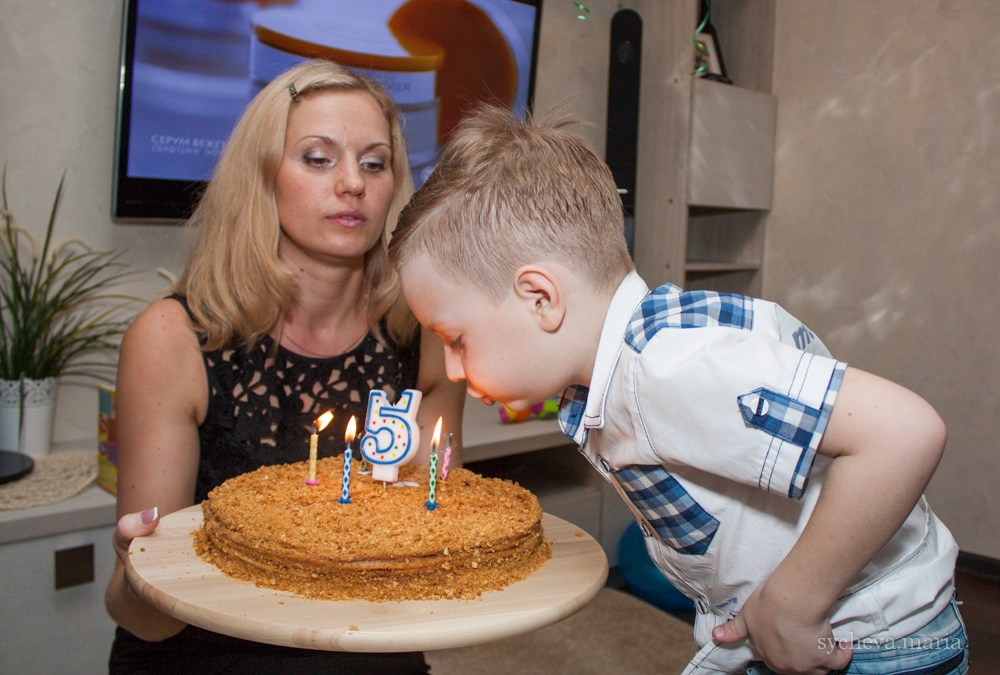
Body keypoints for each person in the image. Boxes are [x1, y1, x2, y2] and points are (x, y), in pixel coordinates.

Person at [387, 104, 969, 674]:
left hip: (867, 643)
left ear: (540, 299)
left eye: (455, 338)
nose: (454, 370)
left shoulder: (669, 369)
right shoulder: (639, 357)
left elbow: (904, 433)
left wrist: (792, 604)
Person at [105, 60, 465, 673]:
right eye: (318, 158)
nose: (352, 183)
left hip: (372, 646)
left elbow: (423, 548)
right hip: (205, 655)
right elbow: (148, 619)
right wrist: (138, 573)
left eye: (374, 163)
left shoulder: (427, 333)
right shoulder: (171, 342)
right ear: (261, 178)